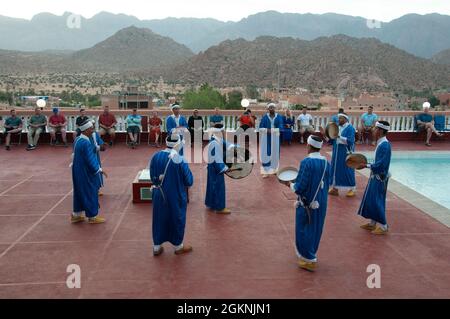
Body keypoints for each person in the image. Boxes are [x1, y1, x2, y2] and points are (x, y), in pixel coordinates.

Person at [282, 135, 331, 271]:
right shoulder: (327, 162)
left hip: (307, 202)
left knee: (304, 228)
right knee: (316, 228)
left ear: (308, 146)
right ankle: (311, 253)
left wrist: (289, 184)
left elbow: (300, 187)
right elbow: (328, 182)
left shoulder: (306, 162)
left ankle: (309, 259)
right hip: (321, 201)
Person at [150, 134, 194, 256]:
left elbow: (152, 178)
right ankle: (178, 246)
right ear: (178, 144)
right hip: (175, 195)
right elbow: (189, 181)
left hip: (159, 193)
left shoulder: (156, 156)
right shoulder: (179, 160)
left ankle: (156, 247)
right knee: (177, 219)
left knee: (158, 218)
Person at [357, 121, 392, 235]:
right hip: (375, 176)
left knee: (377, 201)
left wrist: (366, 165)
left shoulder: (385, 145)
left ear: (381, 131)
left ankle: (383, 226)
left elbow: (382, 164)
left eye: (375, 129)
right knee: (372, 199)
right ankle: (373, 223)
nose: (373, 130)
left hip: (379, 178)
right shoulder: (380, 143)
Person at [71, 119, 107, 224]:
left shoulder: (77, 139)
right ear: (86, 130)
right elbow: (90, 159)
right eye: (91, 128)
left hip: (77, 170)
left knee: (79, 192)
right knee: (90, 191)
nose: (92, 130)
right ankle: (92, 216)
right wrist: (99, 169)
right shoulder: (86, 143)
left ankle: (76, 215)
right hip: (86, 172)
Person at [205, 128, 237, 214]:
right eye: (222, 132)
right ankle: (220, 208)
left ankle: (211, 203)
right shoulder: (214, 144)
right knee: (218, 186)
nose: (223, 133)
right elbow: (217, 159)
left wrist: (236, 148)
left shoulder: (216, 139)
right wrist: (225, 168)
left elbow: (227, 144)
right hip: (216, 169)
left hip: (212, 168)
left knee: (212, 185)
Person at [329, 113, 356, 197]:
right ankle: (335, 188)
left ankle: (352, 188)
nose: (338, 120)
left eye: (340, 118)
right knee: (336, 170)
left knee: (347, 170)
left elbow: (350, 141)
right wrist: (326, 135)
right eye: (338, 118)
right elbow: (333, 139)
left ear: (345, 119)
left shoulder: (350, 128)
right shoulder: (338, 127)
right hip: (336, 152)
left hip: (345, 153)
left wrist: (339, 136)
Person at [259, 103, 283, 178]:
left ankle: (275, 169)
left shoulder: (279, 117)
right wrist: (267, 131)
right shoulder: (264, 117)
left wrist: (272, 131)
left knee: (275, 153)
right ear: (268, 109)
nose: (271, 109)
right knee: (266, 153)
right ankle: (266, 171)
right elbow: (260, 128)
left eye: (273, 107)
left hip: (275, 137)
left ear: (275, 108)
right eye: (270, 107)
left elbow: (281, 127)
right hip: (266, 138)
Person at [90, 123, 106, 196]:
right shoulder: (84, 137)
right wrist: (98, 148)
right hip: (89, 156)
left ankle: (97, 189)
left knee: (97, 171)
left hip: (95, 156)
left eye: (93, 126)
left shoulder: (95, 134)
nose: (92, 128)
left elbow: (100, 143)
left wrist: (102, 146)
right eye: (91, 127)